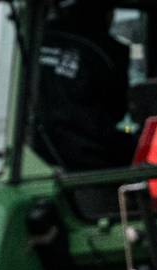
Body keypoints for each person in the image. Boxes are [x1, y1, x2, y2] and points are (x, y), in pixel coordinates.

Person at [32, 0, 136, 170]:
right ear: (106, 14)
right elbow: (117, 107)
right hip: (88, 160)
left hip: (34, 157)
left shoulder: (32, 43)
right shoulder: (106, 51)